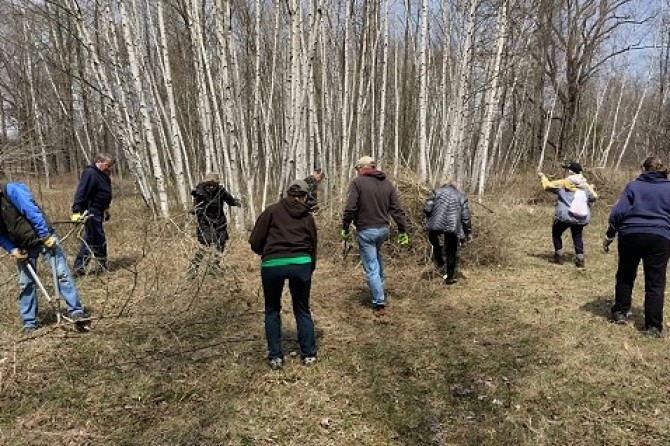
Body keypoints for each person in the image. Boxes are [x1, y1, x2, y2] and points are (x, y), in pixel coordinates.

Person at [0, 179, 87, 332]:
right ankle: (29, 322)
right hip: (22, 245)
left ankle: (76, 311)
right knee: (25, 283)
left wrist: (45, 235)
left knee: (61, 274)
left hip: (43, 236)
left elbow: (31, 210)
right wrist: (11, 249)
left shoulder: (10, 190)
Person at [249, 179, 318, 369]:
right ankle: (309, 354)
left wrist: (267, 254)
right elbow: (313, 245)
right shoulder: (307, 216)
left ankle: (275, 357)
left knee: (272, 309)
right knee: (302, 308)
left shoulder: (271, 211)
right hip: (301, 263)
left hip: (273, 264)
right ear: (304, 197)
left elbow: (255, 240)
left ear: (288, 194)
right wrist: (310, 266)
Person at [604, 156, 670, 338]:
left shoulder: (633, 186)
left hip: (630, 234)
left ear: (643, 169)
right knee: (655, 282)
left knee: (625, 274)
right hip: (659, 237)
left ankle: (620, 312)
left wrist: (610, 233)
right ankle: (653, 327)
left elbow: (618, 212)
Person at [340, 156, 408, 316]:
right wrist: (402, 229)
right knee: (376, 259)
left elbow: (350, 207)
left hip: (366, 231)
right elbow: (397, 210)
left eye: (357, 169)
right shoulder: (387, 184)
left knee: (371, 266)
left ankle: (379, 302)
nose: (357, 172)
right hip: (383, 230)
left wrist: (345, 226)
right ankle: (379, 288)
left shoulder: (358, 183)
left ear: (363, 168)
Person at [538, 161, 598, 268]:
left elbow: (547, 186)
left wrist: (543, 177)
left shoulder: (564, 183)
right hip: (580, 217)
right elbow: (594, 197)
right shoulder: (585, 185)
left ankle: (558, 257)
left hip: (564, 216)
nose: (565, 171)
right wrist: (591, 189)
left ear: (570, 171)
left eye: (566, 169)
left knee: (556, 233)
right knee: (577, 235)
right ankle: (580, 259)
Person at [186, 172, 241, 278]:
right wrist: (195, 209)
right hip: (205, 222)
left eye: (213, 185)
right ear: (205, 184)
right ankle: (193, 268)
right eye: (208, 185)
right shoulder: (199, 192)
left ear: (216, 184)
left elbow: (229, 199)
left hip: (219, 222)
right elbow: (196, 206)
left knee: (221, 243)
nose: (211, 187)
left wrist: (235, 202)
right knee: (205, 245)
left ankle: (214, 267)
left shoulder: (220, 191)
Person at [71, 153, 114, 276]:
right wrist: (76, 211)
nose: (109, 167)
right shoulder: (90, 173)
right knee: (96, 238)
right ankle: (97, 266)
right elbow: (81, 192)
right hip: (91, 211)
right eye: (107, 165)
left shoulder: (103, 175)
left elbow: (104, 194)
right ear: (100, 161)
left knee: (91, 238)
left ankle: (81, 267)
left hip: (99, 210)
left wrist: (106, 209)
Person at [424, 181, 472, 285]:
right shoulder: (461, 196)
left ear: (444, 185)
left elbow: (427, 208)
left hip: (436, 224)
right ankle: (450, 277)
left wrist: (430, 216)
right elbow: (466, 217)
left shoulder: (436, 192)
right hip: (453, 226)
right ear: (454, 187)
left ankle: (439, 258)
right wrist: (468, 233)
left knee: (433, 237)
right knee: (451, 251)